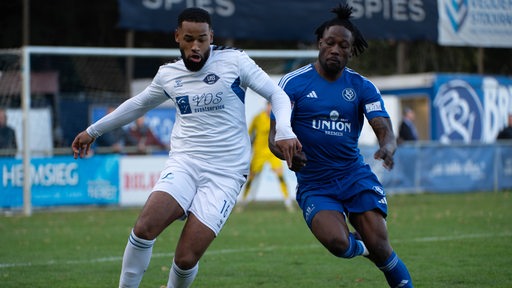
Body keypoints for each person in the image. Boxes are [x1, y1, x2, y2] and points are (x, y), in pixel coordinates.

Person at [71, 7, 301, 288]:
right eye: (189, 38)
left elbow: (276, 93)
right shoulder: (168, 74)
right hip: (185, 163)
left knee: (185, 258)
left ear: (211, 37)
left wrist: (285, 131)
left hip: (226, 174)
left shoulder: (235, 61)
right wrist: (93, 131)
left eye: (202, 39)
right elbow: (138, 105)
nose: (196, 46)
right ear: (177, 36)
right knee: (144, 228)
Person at [268, 4, 413, 287]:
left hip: (353, 176)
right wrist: (284, 151)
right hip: (315, 182)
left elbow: (384, 129)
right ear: (319, 44)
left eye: (343, 45)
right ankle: (364, 247)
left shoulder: (362, 86)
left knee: (383, 247)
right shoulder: (292, 83)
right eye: (330, 43)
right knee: (338, 243)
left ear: (351, 50)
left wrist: (388, 147)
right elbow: (275, 135)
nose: (336, 49)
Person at [238, 102, 295, 212]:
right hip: (259, 153)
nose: (269, 109)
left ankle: (288, 201)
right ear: (266, 106)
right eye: (268, 106)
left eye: (271, 107)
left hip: (272, 152)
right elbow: (249, 133)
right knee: (251, 178)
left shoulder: (276, 118)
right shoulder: (258, 118)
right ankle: (243, 201)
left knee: (280, 176)